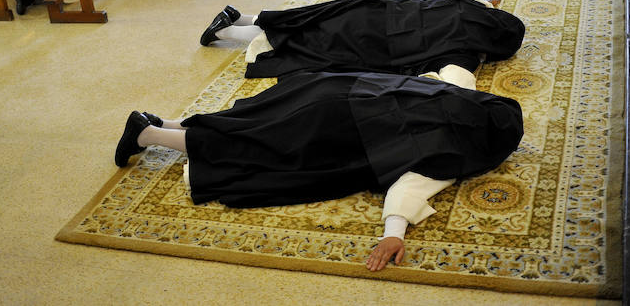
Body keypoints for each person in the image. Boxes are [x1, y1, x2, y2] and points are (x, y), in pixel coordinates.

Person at [114, 65, 524, 271]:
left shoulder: (453, 92)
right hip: (339, 129)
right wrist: (392, 233)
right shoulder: (451, 152)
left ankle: (163, 123)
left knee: (256, 118)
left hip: (339, 87)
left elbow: (456, 70)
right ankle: (148, 136)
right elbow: (409, 189)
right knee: (261, 145)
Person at [199, 0, 525, 79]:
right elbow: (454, 81)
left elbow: (485, 2)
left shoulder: (464, 6)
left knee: (316, 15)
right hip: (376, 41)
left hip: (379, 8)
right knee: (311, 43)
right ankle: (226, 31)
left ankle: (241, 18)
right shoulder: (465, 53)